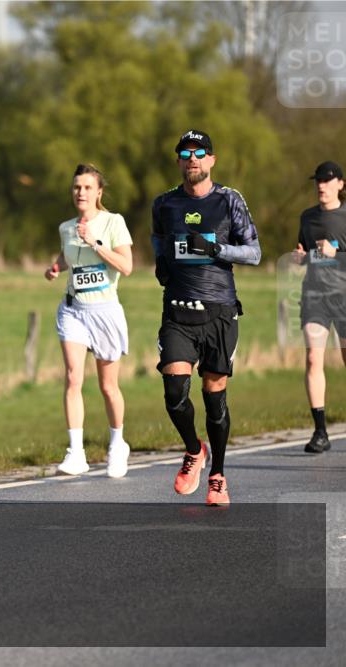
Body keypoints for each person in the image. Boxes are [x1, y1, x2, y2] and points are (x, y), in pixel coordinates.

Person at [151, 130, 261, 506]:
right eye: (185, 152)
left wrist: (215, 248)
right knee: (174, 391)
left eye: (200, 152)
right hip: (178, 311)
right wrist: (162, 266)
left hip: (219, 313)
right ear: (178, 160)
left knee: (215, 399)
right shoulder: (164, 204)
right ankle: (193, 450)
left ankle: (218, 475)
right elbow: (158, 243)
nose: (192, 158)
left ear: (211, 160)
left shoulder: (229, 200)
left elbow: (255, 253)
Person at [45, 164, 134, 478]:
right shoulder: (66, 227)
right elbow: (67, 255)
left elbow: (126, 266)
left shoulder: (113, 222)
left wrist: (95, 242)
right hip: (73, 310)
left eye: (86, 187)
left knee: (108, 387)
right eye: (76, 187)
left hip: (105, 312)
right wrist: (56, 268)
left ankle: (117, 443)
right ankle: (76, 453)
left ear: (99, 192)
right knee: (72, 378)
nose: (80, 193)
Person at [292, 161, 346, 453]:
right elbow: (306, 251)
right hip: (315, 296)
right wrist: (301, 257)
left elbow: (332, 252)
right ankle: (320, 432)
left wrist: (337, 251)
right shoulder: (307, 218)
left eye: (328, 180)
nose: (321, 186)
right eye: (318, 181)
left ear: (341, 184)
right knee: (314, 359)